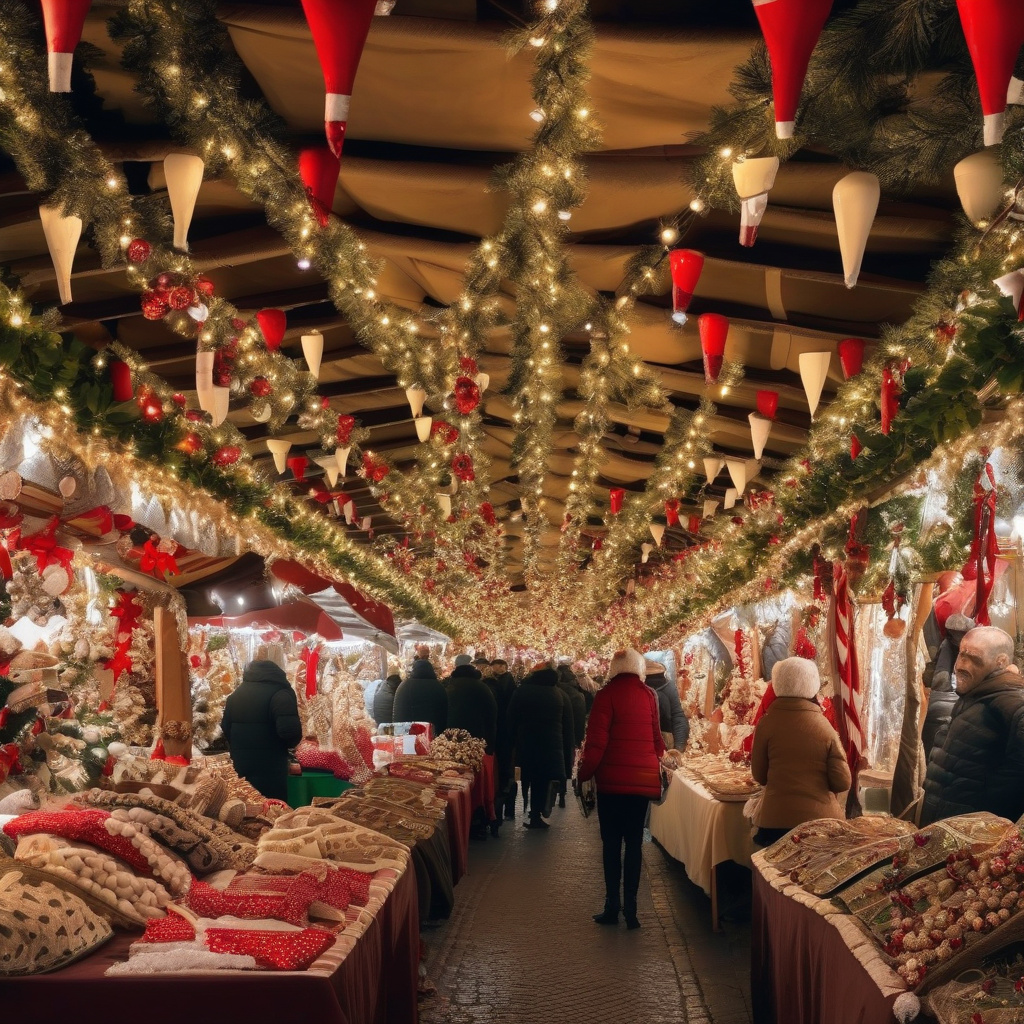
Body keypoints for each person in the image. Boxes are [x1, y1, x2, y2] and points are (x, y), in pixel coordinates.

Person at [577, 649, 664, 930]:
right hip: (641, 782)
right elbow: (656, 738)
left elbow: (596, 743)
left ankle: (612, 905)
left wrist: (583, 773)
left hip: (611, 786)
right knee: (635, 844)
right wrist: (662, 759)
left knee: (612, 845)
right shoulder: (649, 695)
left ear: (613, 668)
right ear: (638, 668)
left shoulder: (606, 695)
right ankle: (632, 910)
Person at [921, 625, 1024, 825]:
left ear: (1000, 662)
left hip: (972, 841)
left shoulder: (1013, 706)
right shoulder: (976, 695)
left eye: (974, 659)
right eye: (961, 655)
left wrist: (982, 826)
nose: (961, 665)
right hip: (945, 831)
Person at [749, 658, 851, 847]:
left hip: (773, 823)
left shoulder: (766, 724)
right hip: (820, 824)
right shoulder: (824, 727)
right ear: (812, 685)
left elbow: (759, 776)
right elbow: (842, 781)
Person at [221, 659, 302, 802]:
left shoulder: (236, 695)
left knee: (245, 808)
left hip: (240, 765)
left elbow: (226, 728)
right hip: (271, 768)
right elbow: (290, 733)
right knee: (272, 810)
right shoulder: (280, 694)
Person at [507, 659, 574, 829]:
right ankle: (536, 814)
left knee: (526, 777)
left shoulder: (522, 691)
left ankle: (520, 809)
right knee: (542, 780)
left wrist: (511, 741)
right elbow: (567, 726)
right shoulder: (558, 694)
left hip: (527, 743)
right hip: (550, 746)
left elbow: (511, 718)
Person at [446, 654, 499, 838]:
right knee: (478, 783)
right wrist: (490, 745)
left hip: (451, 743)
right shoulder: (482, 688)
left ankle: (462, 818)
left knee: (454, 780)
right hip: (477, 744)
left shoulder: (449, 687)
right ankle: (478, 819)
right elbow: (492, 718)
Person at [487, 658, 518, 821]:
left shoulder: (505, 683)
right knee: (506, 773)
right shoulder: (505, 682)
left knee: (505, 773)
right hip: (505, 734)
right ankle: (507, 810)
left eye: (498, 666)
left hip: (503, 733)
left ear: (504, 667)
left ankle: (505, 809)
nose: (495, 668)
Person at [393, 648, 447, 737]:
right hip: (432, 737)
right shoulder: (439, 687)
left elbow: (397, 716)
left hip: (407, 737)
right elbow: (443, 716)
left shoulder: (404, 686)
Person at [555, 663, 587, 807]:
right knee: (566, 763)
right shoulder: (578, 695)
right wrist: (578, 739)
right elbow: (580, 719)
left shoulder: (555, 691)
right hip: (571, 735)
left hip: (556, 733)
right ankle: (562, 792)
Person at [644, 659, 690, 751]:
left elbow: (678, 717)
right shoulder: (668, 687)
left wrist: (678, 749)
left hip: (662, 742)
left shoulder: (668, 687)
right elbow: (678, 716)